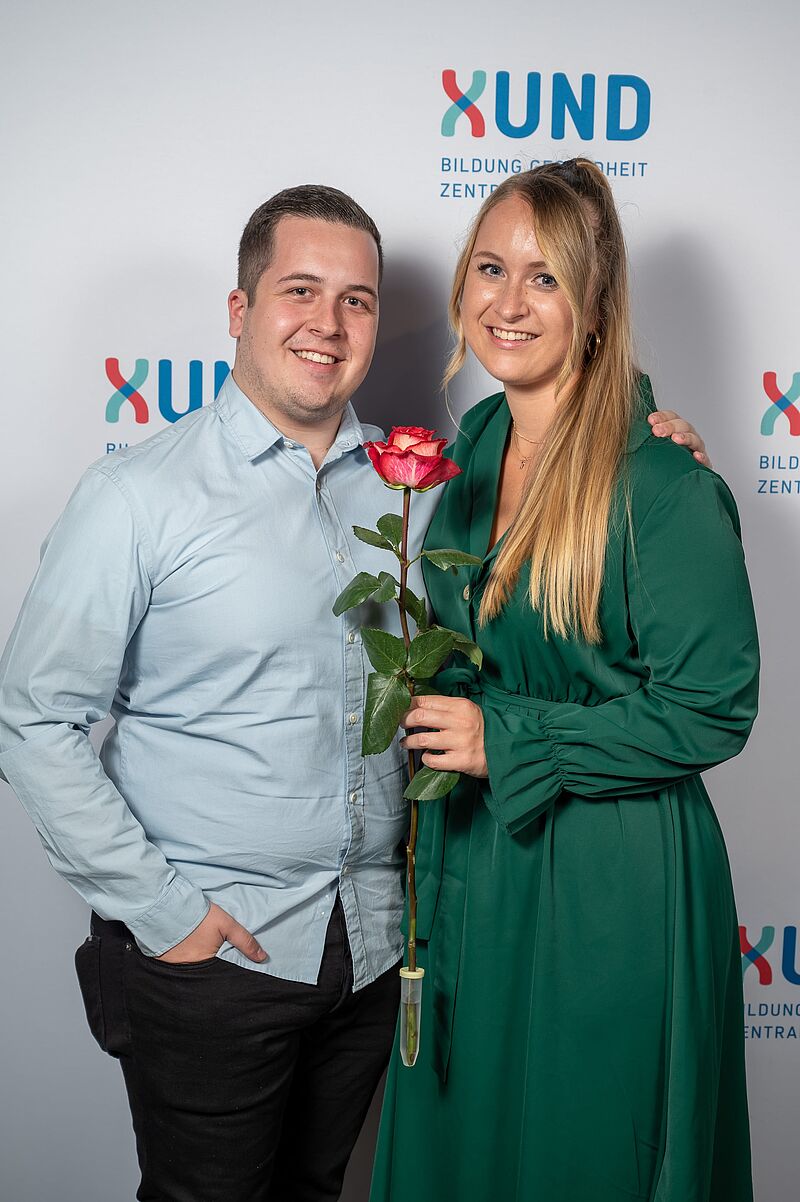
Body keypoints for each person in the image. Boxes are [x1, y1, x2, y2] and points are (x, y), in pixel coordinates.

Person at [0, 182, 708, 1202]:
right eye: (299, 291)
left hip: (375, 954)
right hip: (216, 955)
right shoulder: (136, 497)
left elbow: (562, 470)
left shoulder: (420, 487)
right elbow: (33, 719)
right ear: (240, 310)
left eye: (357, 300)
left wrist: (653, 442)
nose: (327, 323)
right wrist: (167, 915)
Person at [370, 159, 758, 1202]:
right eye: (491, 268)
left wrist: (510, 741)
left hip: (607, 876)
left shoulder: (661, 483)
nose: (508, 301)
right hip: (475, 864)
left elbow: (711, 708)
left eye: (544, 277)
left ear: (594, 305)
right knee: (472, 1144)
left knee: (581, 1149)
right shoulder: (469, 452)